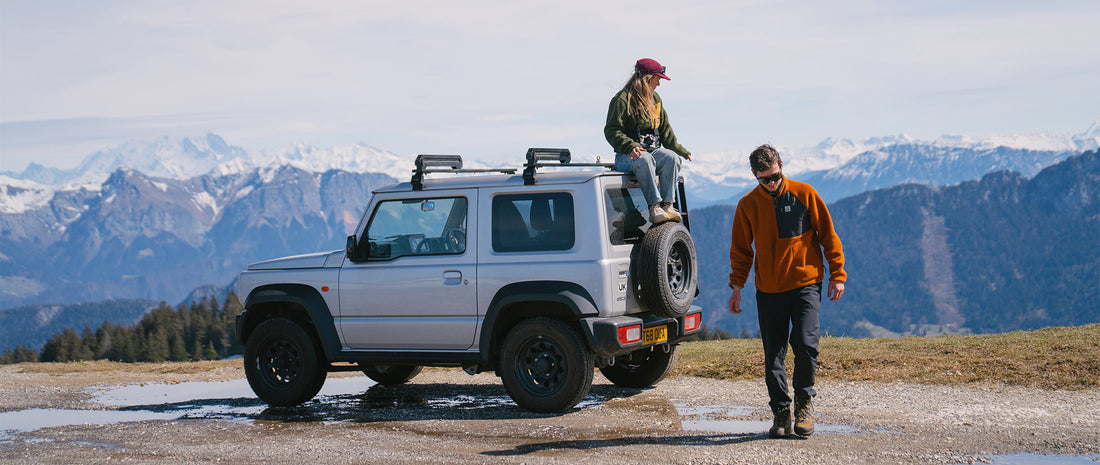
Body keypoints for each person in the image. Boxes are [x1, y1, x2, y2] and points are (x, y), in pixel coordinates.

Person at [727, 144, 847, 438]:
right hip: (768, 290)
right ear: (754, 175)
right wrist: (737, 286)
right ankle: (781, 411)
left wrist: (837, 274)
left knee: (806, 345)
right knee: (774, 355)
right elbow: (742, 251)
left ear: (781, 165)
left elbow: (828, 235)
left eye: (775, 176)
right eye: (764, 179)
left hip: (806, 284)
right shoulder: (747, 205)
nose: (771, 184)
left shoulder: (805, 194)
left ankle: (804, 405)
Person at [604, 58, 692, 224]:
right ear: (647, 79)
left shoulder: (655, 99)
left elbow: (665, 131)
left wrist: (681, 151)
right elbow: (611, 130)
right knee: (644, 159)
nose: (659, 84)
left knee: (671, 158)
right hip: (627, 156)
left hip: (651, 153)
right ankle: (654, 207)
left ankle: (668, 206)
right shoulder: (623, 100)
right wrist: (631, 146)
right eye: (657, 79)